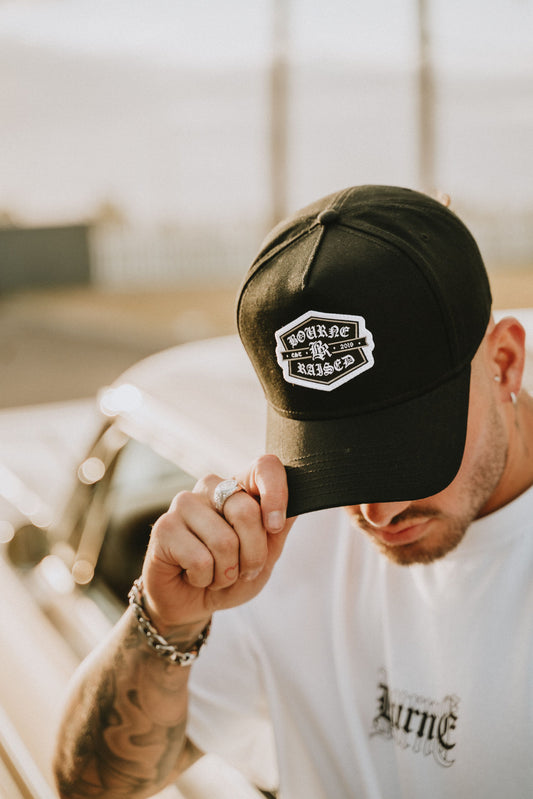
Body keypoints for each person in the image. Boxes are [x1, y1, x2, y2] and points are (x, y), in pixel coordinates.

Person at [54, 185, 533, 799]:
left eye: (410, 455)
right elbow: (89, 786)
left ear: (504, 363)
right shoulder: (272, 549)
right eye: (340, 463)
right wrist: (165, 621)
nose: (375, 513)